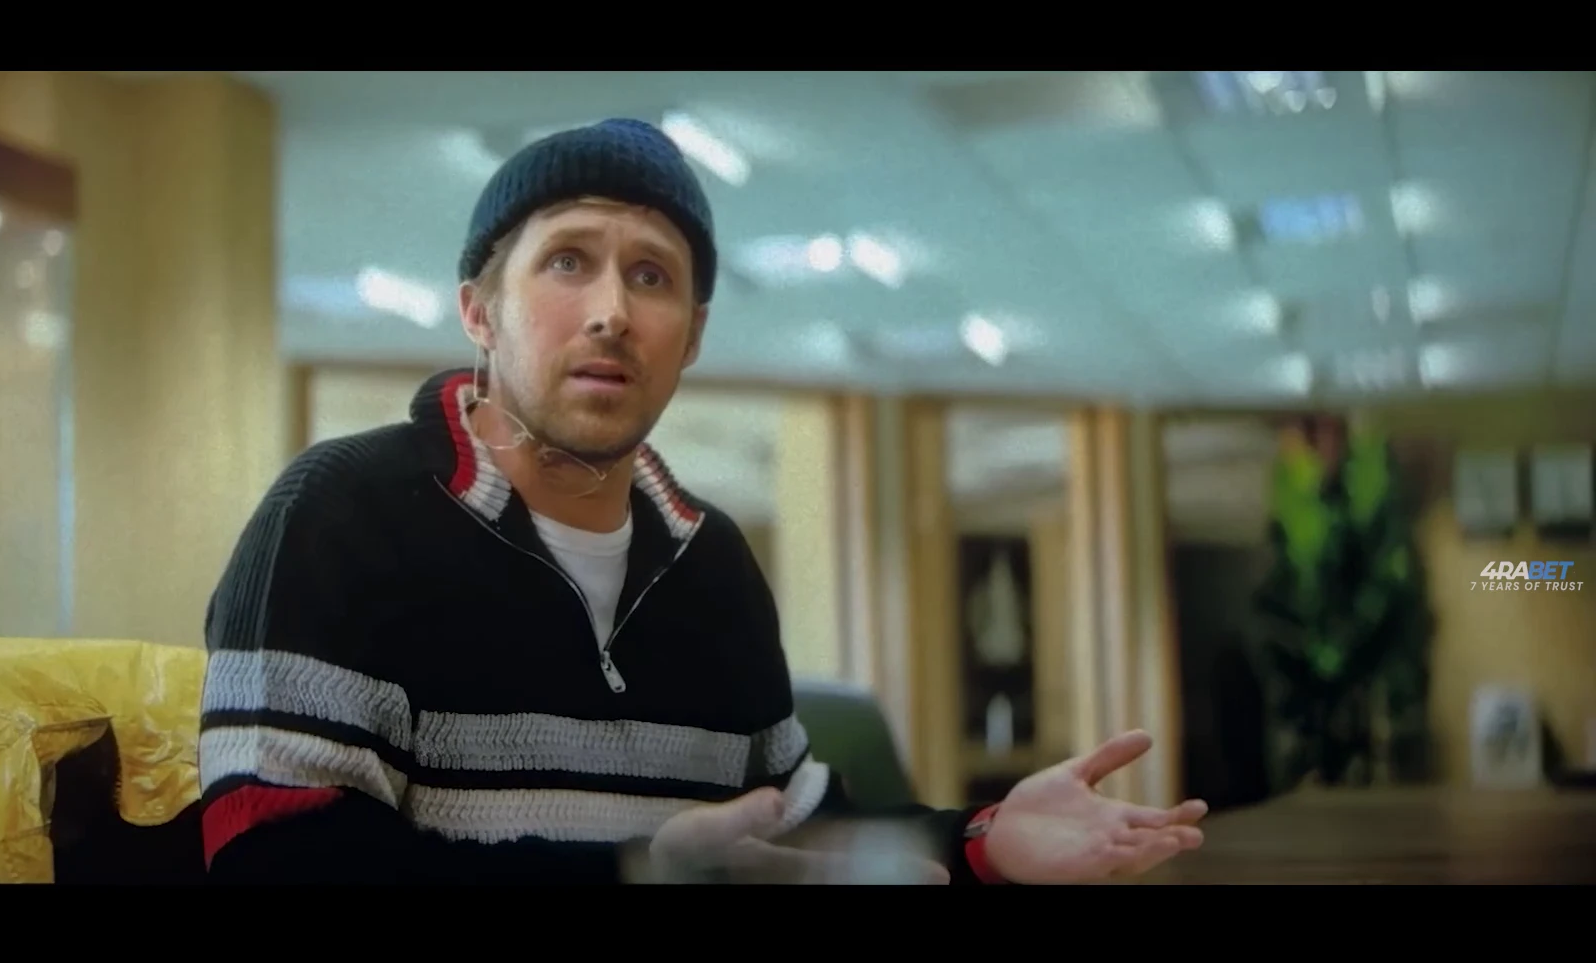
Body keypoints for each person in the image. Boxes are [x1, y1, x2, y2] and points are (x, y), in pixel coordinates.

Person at [196, 117, 1208, 884]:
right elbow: (273, 860)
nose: (611, 311)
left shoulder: (710, 562)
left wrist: (985, 842)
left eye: (651, 276)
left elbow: (801, 824)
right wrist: (638, 870)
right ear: (479, 311)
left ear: (692, 337)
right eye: (567, 260)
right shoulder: (338, 513)